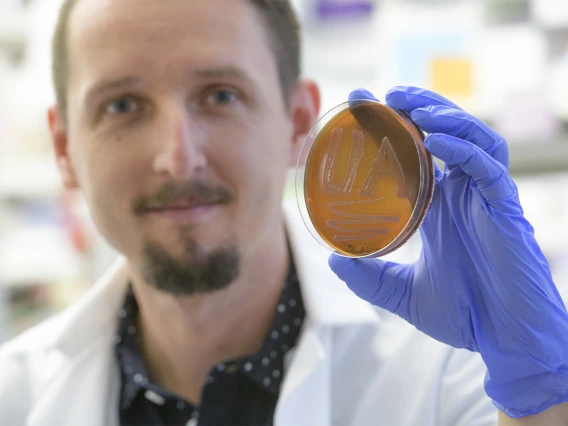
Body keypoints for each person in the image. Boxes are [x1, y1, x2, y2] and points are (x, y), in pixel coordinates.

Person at [1, 0, 567, 425]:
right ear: (63, 149)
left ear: (298, 123)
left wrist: (542, 399)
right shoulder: (15, 395)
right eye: (121, 106)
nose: (177, 158)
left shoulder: (456, 376)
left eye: (220, 95)